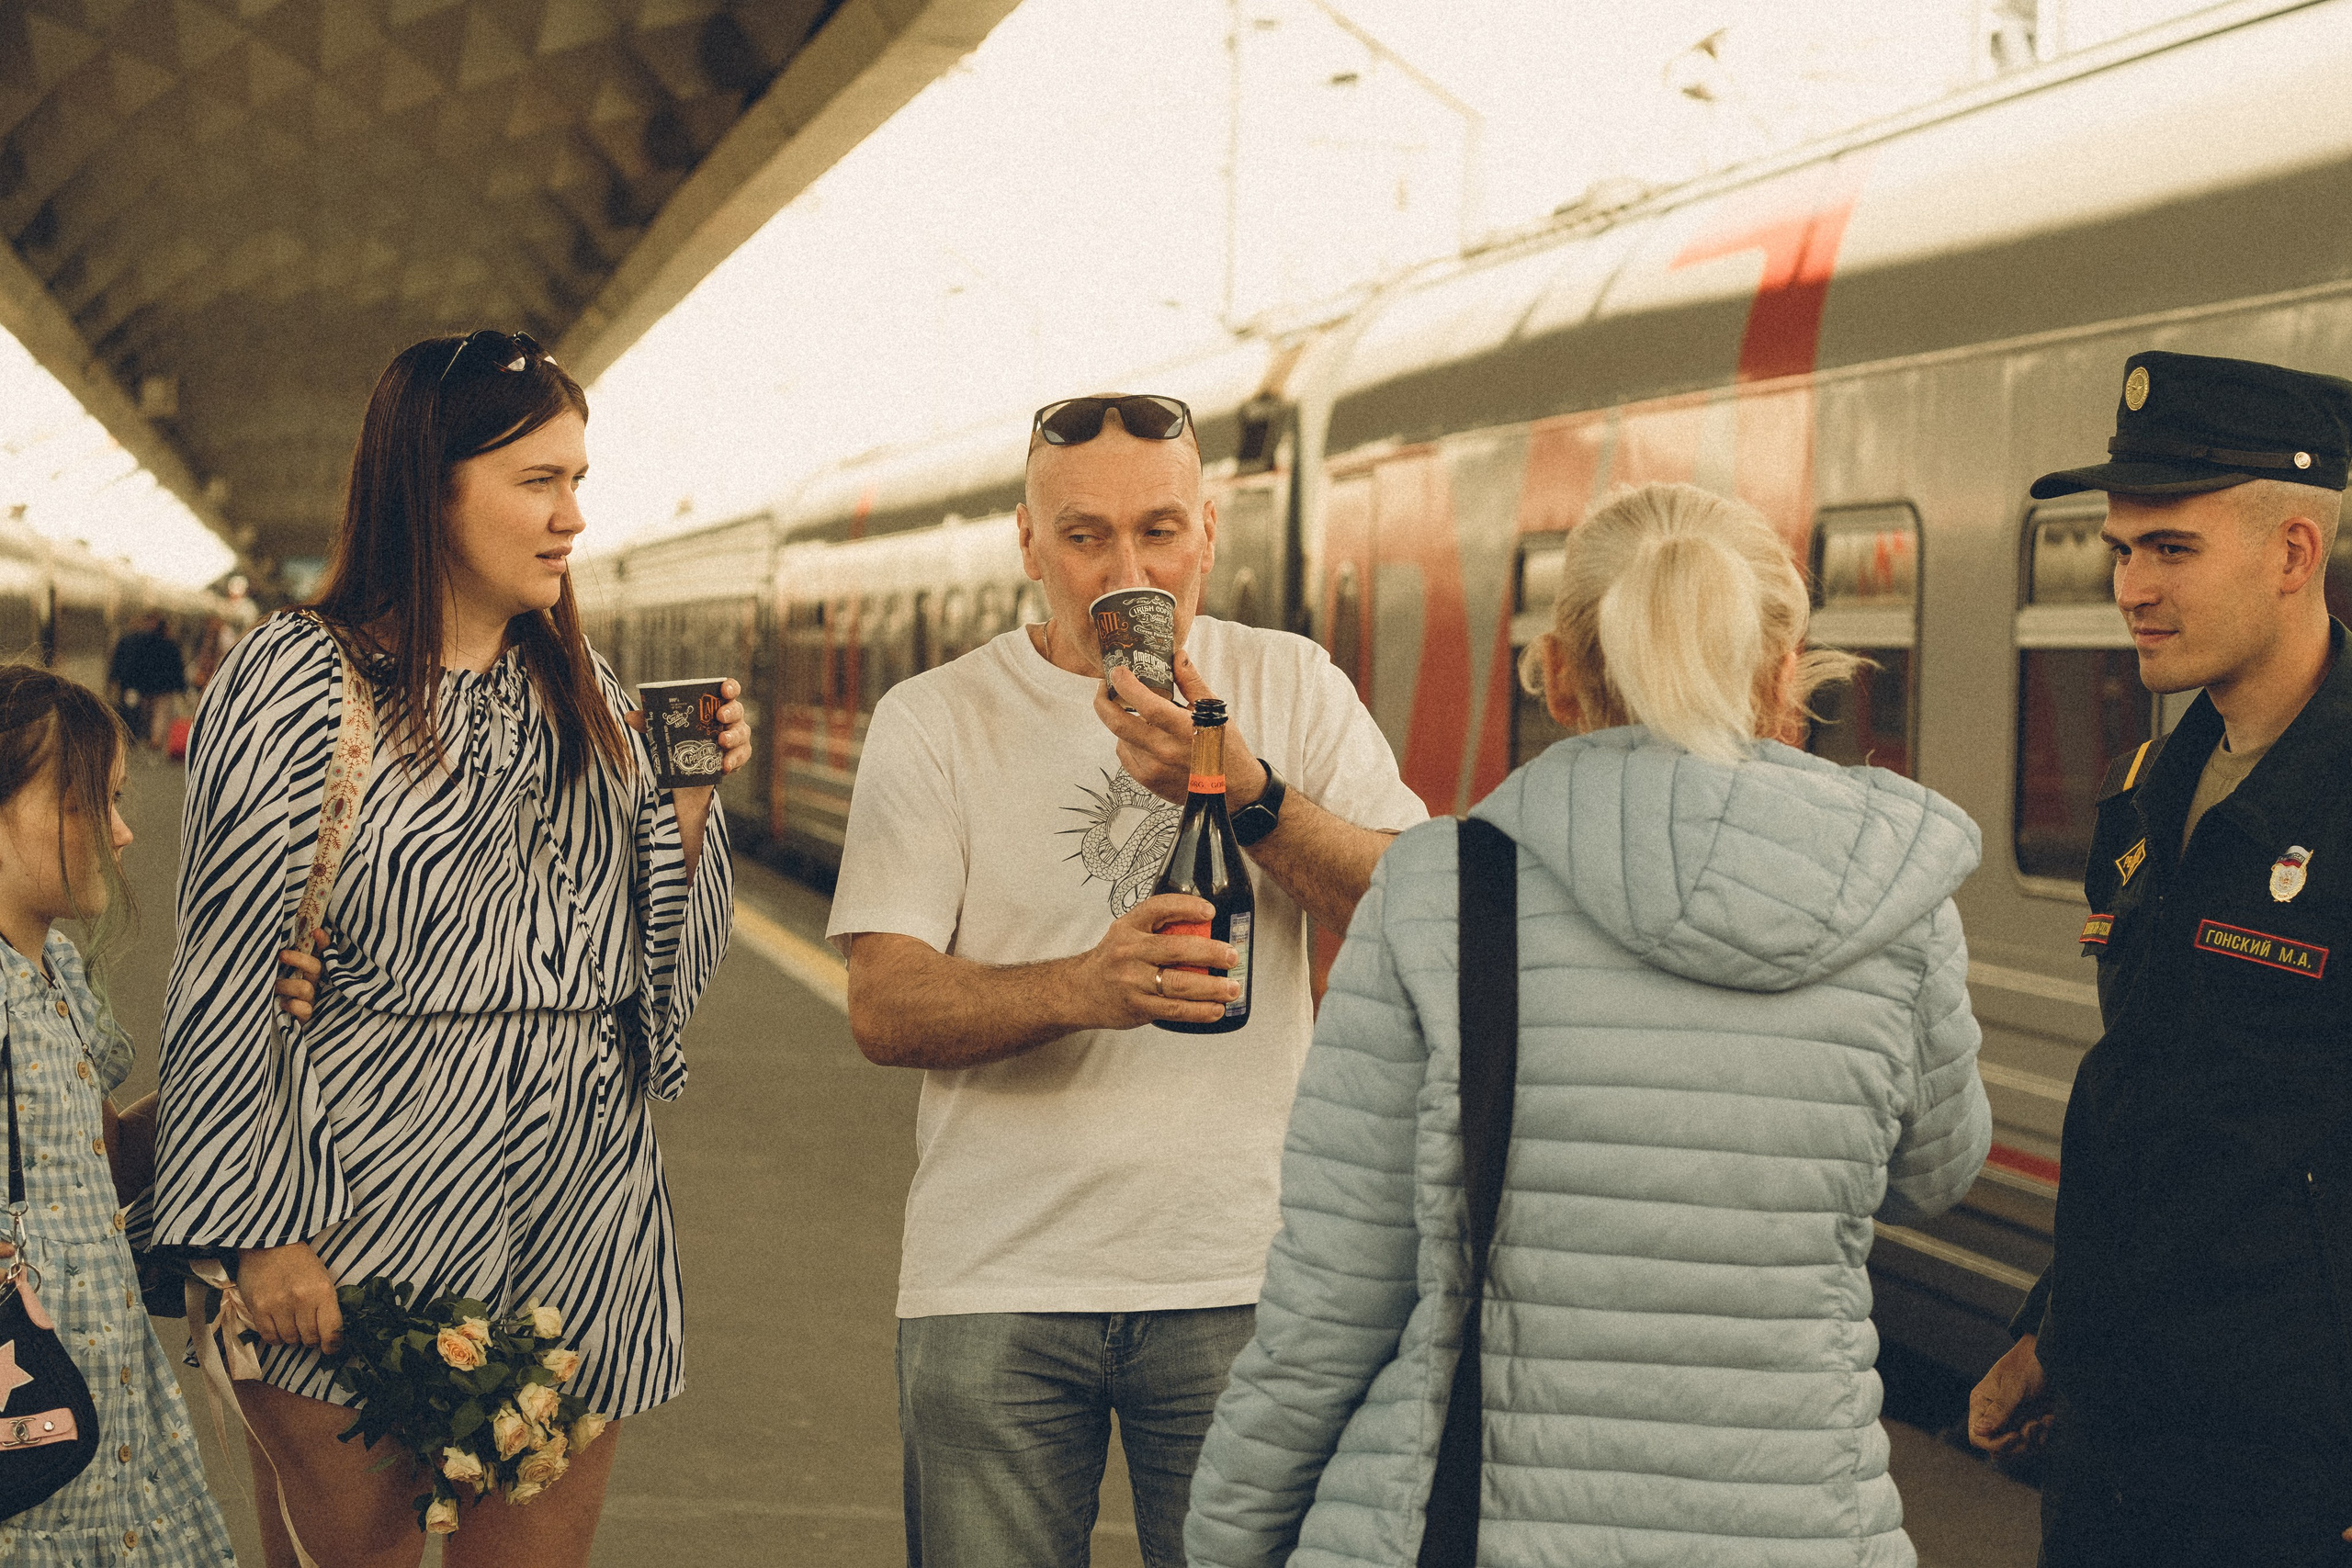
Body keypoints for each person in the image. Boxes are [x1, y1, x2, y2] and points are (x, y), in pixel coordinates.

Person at [1186, 480, 1994, 1567]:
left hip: (1478, 1527)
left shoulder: (1442, 895)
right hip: (1797, 1528)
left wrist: (1231, 1534)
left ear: (1558, 678)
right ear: (1781, 678)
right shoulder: (1897, 903)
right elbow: (1937, 1169)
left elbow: (1333, 1303)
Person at [146, 330, 749, 1568]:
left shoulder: (591, 693)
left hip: (580, 1220)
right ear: (431, 485)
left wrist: (686, 802)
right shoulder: (299, 682)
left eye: (578, 478)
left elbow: (656, 990)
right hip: (352, 1216)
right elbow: (227, 971)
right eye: (539, 480)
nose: (572, 516)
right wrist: (260, 1227)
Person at [830, 391, 1428, 1567]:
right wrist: (1082, 987)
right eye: (1085, 535)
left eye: (1159, 531)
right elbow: (883, 1004)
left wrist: (1251, 793)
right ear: (1027, 544)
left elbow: (1415, 908)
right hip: (991, 1282)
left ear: (1209, 535)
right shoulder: (936, 719)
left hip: (1244, 1274)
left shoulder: (1293, 685)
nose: (1127, 567)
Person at [1968, 351, 2352, 1566]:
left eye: (2170, 549)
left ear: (2295, 552)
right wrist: (2051, 1331)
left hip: (2290, 1481)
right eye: (2119, 550)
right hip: (2120, 1460)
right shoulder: (2150, 795)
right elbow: (2146, 1103)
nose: (2129, 586)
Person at [0, 664, 318, 1566]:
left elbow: (90, 1157)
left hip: (99, 1405)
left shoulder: (54, 971)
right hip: (27, 1416)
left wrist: (242, 1044)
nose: (123, 833)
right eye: (90, 807)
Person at [104, 611, 186, 750]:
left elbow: (130, 663)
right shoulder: (171, 644)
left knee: (139, 711)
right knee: (159, 713)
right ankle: (154, 738)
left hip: (143, 685)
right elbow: (178, 667)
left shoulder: (141, 642)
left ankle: (140, 736)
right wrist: (181, 687)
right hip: (163, 686)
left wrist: (115, 679)